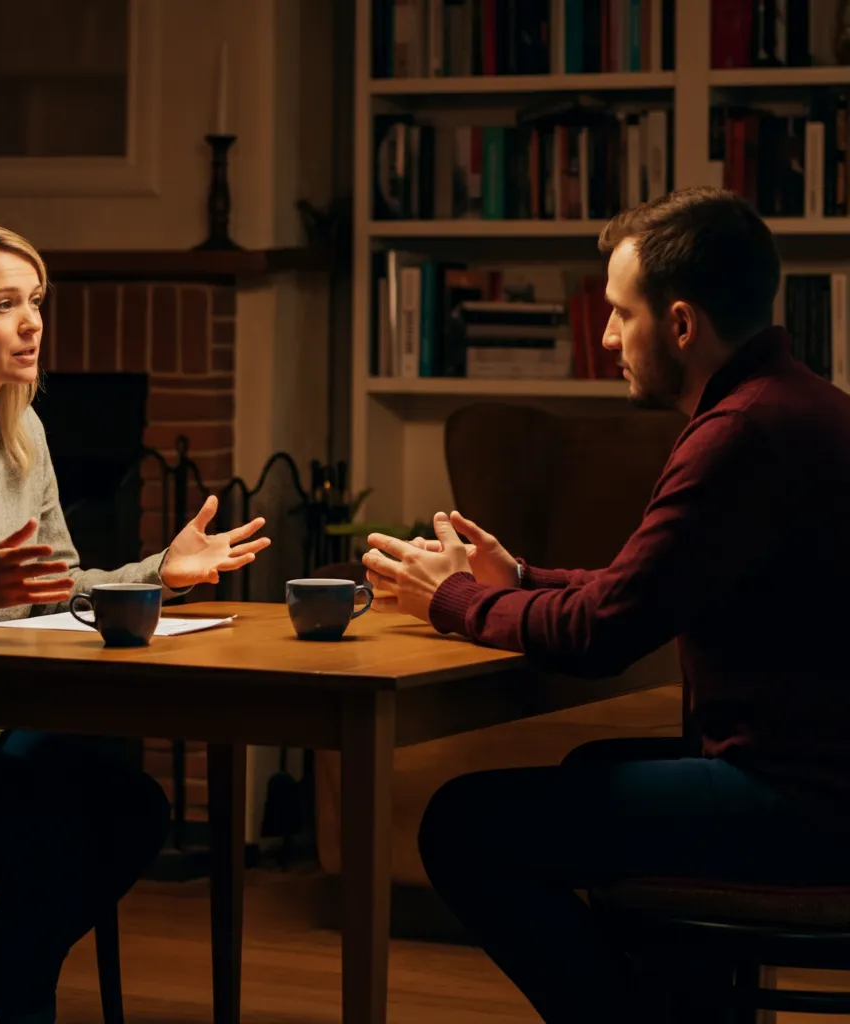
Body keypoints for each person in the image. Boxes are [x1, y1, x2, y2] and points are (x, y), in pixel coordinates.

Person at [361, 187, 850, 1023]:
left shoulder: (739, 436)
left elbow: (601, 635)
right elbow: (639, 585)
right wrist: (514, 580)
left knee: (462, 825)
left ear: (684, 324)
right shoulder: (796, 402)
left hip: (801, 804)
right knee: (589, 774)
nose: (609, 337)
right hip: (816, 775)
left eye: (622, 314)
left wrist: (453, 601)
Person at [0, 221, 270, 1024]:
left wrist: (159, 573)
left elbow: (59, 587)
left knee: (129, 801)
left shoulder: (23, 431)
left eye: (37, 300)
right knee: (59, 820)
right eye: (4, 304)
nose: (32, 322)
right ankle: (14, 1000)